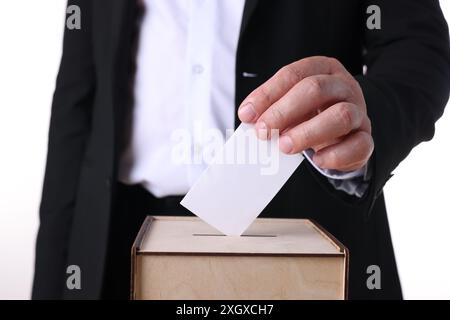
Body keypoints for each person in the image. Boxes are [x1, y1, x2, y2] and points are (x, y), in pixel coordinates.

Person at [32, 0, 450, 299]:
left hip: (305, 236)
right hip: (115, 236)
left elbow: (418, 47)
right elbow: (77, 105)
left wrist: (360, 117)